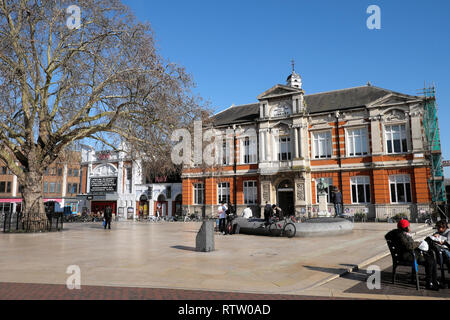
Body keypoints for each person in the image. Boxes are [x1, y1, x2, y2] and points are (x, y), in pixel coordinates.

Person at [385, 219, 439, 290]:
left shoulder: (401, 234)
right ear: (405, 227)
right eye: (408, 226)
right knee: (430, 261)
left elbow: (409, 245)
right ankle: (429, 283)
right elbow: (408, 246)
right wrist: (419, 243)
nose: (409, 228)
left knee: (431, 258)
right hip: (408, 256)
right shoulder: (400, 236)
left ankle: (433, 281)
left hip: (409, 254)